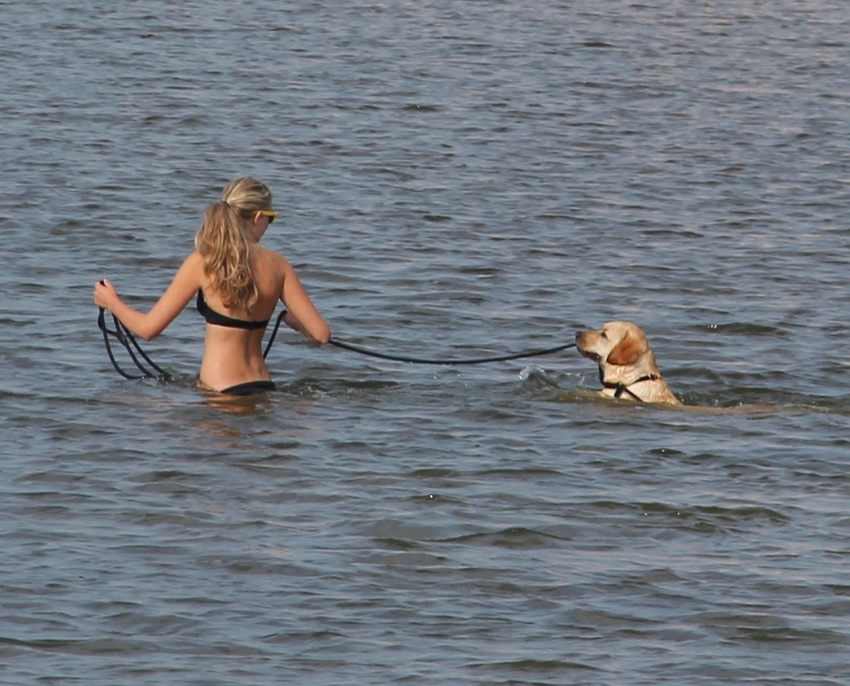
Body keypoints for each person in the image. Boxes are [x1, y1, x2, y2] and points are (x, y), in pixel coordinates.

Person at [94, 177, 331, 395]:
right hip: (264, 387)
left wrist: (111, 302)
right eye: (272, 218)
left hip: (220, 391)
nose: (270, 224)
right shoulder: (279, 265)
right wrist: (293, 321)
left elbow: (148, 329)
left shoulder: (203, 262)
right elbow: (321, 335)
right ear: (258, 217)